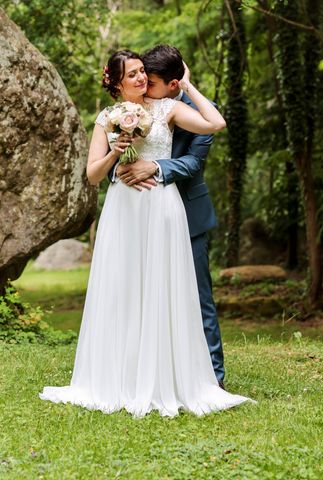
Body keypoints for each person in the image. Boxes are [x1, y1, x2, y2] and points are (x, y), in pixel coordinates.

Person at [39, 50, 253, 417]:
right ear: (117, 83)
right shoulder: (107, 118)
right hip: (124, 209)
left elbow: (215, 124)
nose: (141, 79)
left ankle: (179, 377)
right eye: (134, 74)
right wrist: (115, 152)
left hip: (162, 206)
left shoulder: (168, 108)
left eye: (143, 73)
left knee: (167, 287)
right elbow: (92, 175)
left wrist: (187, 85)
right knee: (123, 287)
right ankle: (122, 376)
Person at [111, 45, 226, 388]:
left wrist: (156, 167)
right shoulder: (130, 110)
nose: (144, 84)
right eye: (141, 76)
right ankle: (151, 372)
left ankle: (213, 378)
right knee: (145, 293)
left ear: (173, 84)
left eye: (153, 81)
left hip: (187, 214)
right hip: (140, 215)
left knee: (197, 296)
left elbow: (193, 164)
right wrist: (123, 168)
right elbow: (112, 154)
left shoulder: (194, 111)